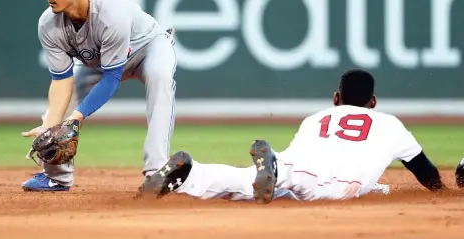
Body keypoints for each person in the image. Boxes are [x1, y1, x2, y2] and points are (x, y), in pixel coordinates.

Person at [139, 69, 447, 202]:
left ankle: (191, 175)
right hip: (326, 180)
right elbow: (425, 171)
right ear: (374, 102)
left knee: (246, 184)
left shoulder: (317, 117)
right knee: (317, 187)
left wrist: (379, 189)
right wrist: (442, 192)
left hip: (300, 164)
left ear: (336, 98)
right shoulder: (390, 123)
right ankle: (276, 170)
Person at [21, 0, 177, 191]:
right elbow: (62, 81)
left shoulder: (111, 15)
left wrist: (76, 118)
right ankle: (56, 176)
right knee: (63, 108)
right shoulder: (48, 24)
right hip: (103, 61)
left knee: (160, 78)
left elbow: (112, 79)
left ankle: (156, 171)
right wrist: (51, 125)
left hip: (148, 48)